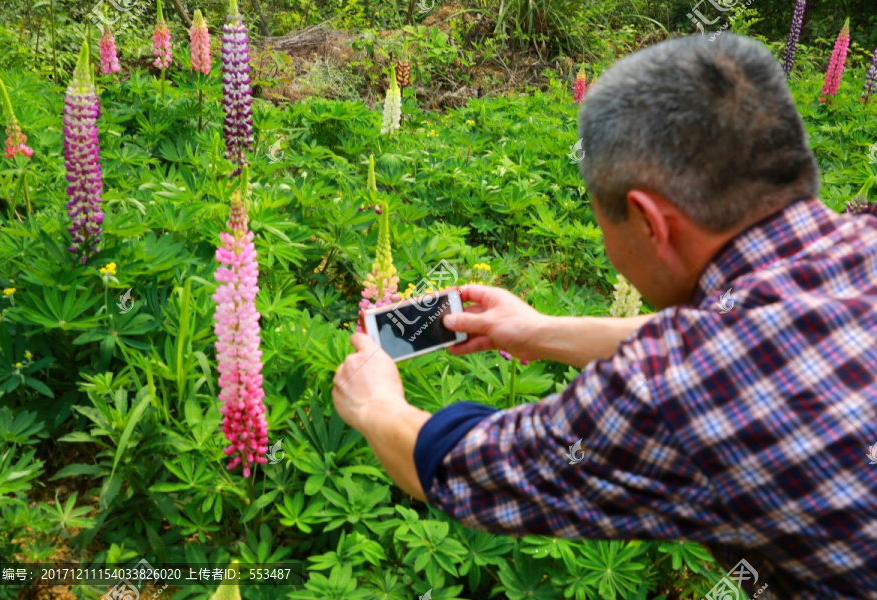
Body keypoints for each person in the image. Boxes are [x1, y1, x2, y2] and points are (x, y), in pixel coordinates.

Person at [332, 32, 877, 600]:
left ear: (649, 222)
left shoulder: (672, 391)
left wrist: (376, 405)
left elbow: (462, 471)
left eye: (602, 222)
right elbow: (746, 335)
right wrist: (541, 332)